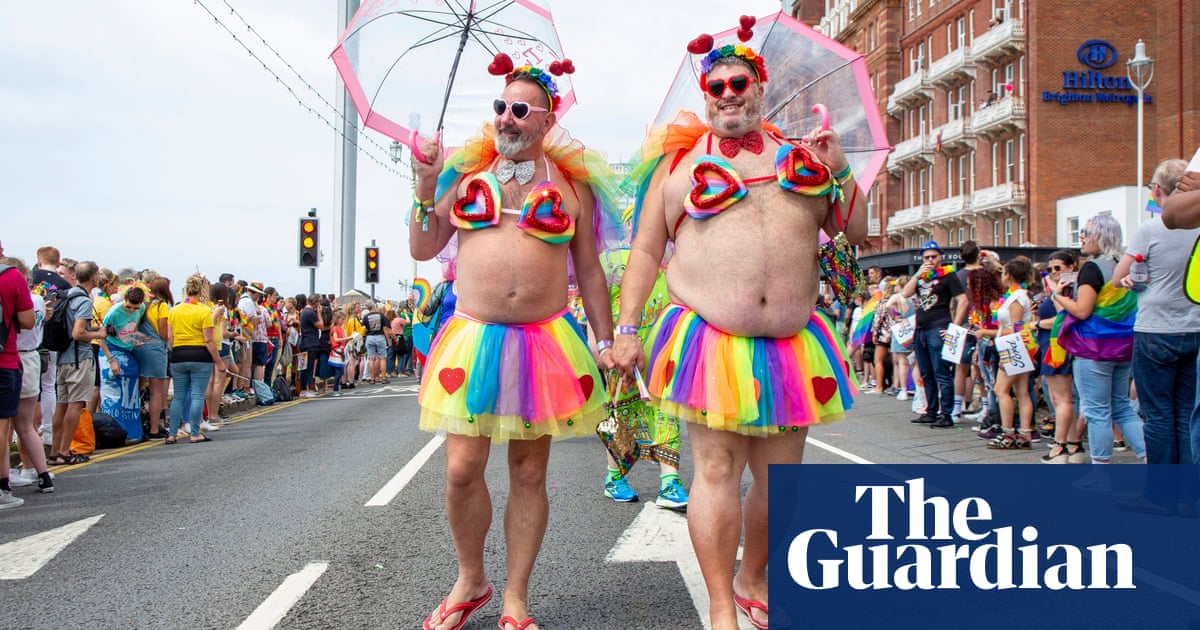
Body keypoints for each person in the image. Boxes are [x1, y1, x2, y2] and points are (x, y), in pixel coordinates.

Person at [613, 20, 861, 629]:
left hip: (791, 345)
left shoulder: (807, 159)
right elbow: (646, 251)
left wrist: (843, 171)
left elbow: (853, 235)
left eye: (738, 81)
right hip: (709, 341)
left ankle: (755, 577)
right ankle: (722, 607)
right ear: (705, 94)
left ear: (759, 85)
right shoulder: (676, 168)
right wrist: (623, 329)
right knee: (716, 471)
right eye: (715, 84)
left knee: (783, 484)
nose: (726, 92)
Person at [410, 52, 621, 630]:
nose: (505, 117)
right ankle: (470, 578)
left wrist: (606, 339)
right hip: (473, 340)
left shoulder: (572, 185)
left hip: (543, 342)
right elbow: (424, 247)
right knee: (461, 469)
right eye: (501, 106)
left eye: (520, 110)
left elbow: (592, 272)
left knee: (529, 472)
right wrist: (425, 187)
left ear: (546, 120)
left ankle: (515, 600)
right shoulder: (464, 173)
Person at [1113, 159, 1199, 477]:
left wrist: (1133, 278)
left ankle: (1163, 492)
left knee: (1158, 413)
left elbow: (1120, 277)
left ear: (1159, 190)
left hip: (1157, 328)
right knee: (1187, 412)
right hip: (1195, 326)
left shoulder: (1152, 228)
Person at [1050, 214, 1145, 468]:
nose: (1081, 236)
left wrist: (1056, 296)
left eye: (1086, 232)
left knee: (1097, 411)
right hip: (1123, 346)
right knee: (1122, 408)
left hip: (1093, 347)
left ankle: (1101, 473)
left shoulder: (1092, 268)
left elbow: (1082, 311)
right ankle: (1151, 459)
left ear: (1101, 237)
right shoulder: (1122, 265)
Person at [901, 241, 967, 428]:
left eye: (933, 256)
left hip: (938, 327)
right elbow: (905, 293)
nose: (930, 260)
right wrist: (917, 273)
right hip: (920, 328)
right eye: (926, 257)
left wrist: (954, 327)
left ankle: (946, 414)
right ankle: (931, 410)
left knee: (941, 372)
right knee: (926, 372)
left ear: (941, 257)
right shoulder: (921, 277)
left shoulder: (948, 276)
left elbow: (962, 300)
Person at [48, 261, 107, 466]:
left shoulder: (67, 296)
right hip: (79, 359)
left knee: (61, 405)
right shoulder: (83, 300)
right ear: (94, 277)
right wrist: (99, 333)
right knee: (76, 405)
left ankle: (55, 451)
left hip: (63, 358)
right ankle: (64, 450)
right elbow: (78, 332)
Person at [4, 257, 55, 494]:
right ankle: (43, 474)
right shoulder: (37, 300)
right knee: (27, 425)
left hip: (13, 355)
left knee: (5, 428)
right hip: (32, 356)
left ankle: (6, 478)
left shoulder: (19, 297)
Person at [167, 274, 225, 443]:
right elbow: (209, 340)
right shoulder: (204, 311)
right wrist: (219, 362)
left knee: (178, 396)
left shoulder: (174, 310)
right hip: (199, 355)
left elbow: (170, 338)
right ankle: (194, 432)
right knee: (198, 395)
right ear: (201, 291)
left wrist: (175, 351)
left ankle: (172, 433)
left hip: (178, 354)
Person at [0, 256, 37, 508]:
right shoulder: (11, 277)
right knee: (3, 427)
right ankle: (2, 489)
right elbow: (27, 321)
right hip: (6, 359)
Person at [100, 286, 148, 441]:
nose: (131, 310)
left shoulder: (140, 309)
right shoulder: (114, 312)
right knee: (114, 396)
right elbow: (101, 337)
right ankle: (113, 433)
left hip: (128, 351)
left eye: (135, 307)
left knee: (130, 397)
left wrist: (136, 340)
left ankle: (132, 432)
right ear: (124, 300)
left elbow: (132, 329)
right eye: (128, 306)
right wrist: (111, 360)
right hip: (111, 350)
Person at [360, 302, 389, 384]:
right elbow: (385, 328)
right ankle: (383, 378)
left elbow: (363, 328)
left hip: (369, 337)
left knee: (371, 359)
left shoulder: (366, 317)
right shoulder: (381, 315)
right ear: (374, 307)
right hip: (380, 336)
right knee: (382, 358)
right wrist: (388, 340)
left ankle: (372, 379)